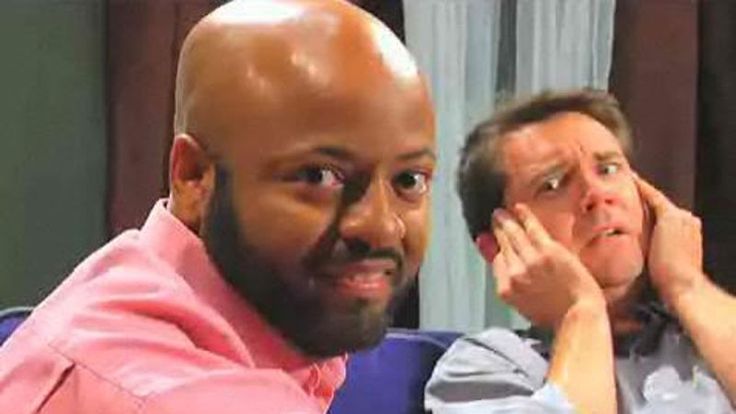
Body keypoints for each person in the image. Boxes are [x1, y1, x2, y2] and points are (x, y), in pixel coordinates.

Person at [0, 1, 436, 413]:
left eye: (409, 180)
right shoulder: (189, 397)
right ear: (193, 177)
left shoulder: (120, 285)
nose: (381, 226)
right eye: (319, 176)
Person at [424, 90, 736, 413]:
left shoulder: (707, 333)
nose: (597, 194)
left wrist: (686, 284)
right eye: (553, 184)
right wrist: (581, 310)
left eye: (608, 169)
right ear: (500, 245)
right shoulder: (485, 366)